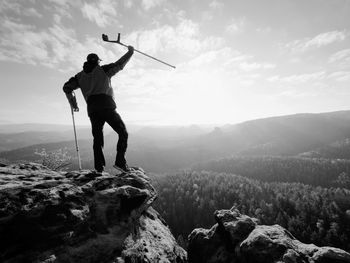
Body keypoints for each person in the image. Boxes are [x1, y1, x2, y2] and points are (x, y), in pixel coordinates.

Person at [63, 46, 134, 173]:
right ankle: (120, 162)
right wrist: (130, 52)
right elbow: (120, 64)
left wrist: (73, 103)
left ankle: (99, 169)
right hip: (106, 106)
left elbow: (67, 88)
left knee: (97, 138)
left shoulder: (79, 76)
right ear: (97, 62)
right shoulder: (104, 70)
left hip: (93, 110)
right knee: (123, 133)